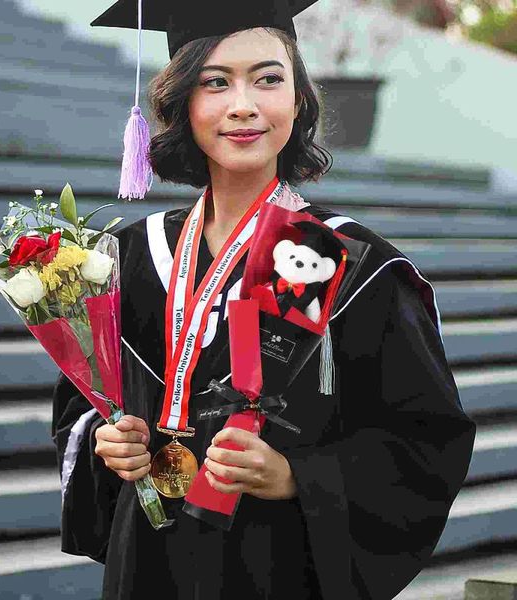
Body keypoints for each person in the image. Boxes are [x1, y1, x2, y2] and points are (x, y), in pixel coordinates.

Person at [51, 1, 477, 598]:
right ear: (182, 106)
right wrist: (105, 440)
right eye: (215, 82)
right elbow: (81, 405)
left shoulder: (354, 265)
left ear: (299, 98)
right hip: (148, 559)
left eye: (269, 79)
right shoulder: (126, 257)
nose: (243, 105)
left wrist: (296, 475)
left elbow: (427, 439)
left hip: (278, 565)